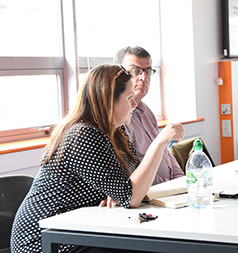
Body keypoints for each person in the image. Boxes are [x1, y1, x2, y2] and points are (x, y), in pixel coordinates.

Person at [10, 64, 184, 253]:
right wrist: (159, 143)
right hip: (44, 239)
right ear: (109, 101)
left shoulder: (115, 132)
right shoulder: (83, 135)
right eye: (129, 98)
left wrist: (118, 191)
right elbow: (132, 196)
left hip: (80, 229)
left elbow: (134, 181)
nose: (134, 104)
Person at [113, 46, 184, 185]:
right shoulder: (118, 119)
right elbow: (131, 172)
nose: (143, 78)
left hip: (170, 190)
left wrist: (181, 180)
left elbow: (166, 154)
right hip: (148, 195)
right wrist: (169, 185)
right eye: (135, 71)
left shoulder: (146, 111)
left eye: (148, 71)